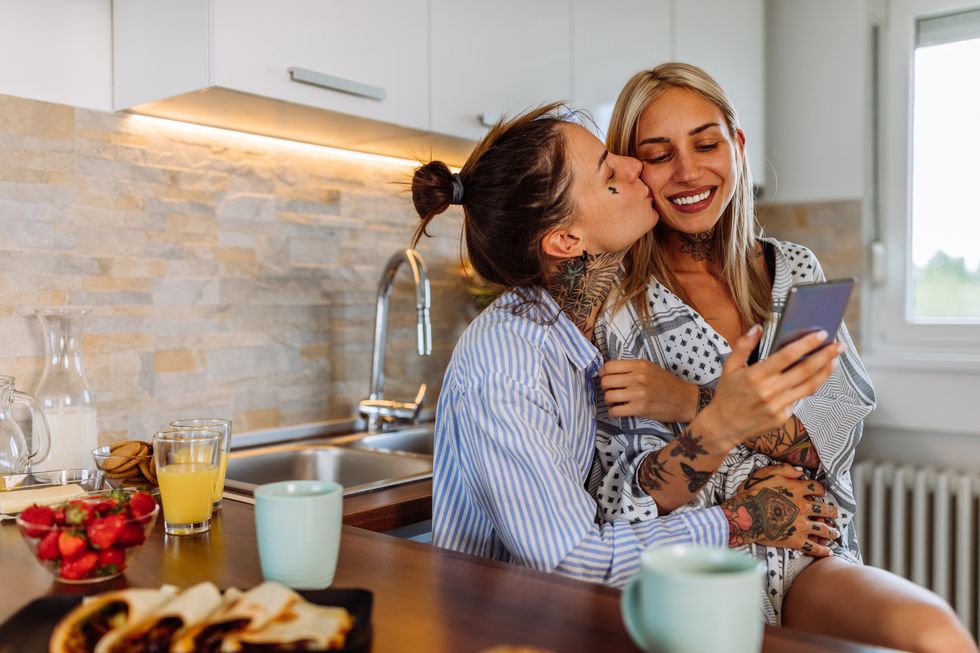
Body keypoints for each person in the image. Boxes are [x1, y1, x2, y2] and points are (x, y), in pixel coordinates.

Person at [595, 62, 975, 652]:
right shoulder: (616, 301)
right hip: (691, 568)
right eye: (660, 152)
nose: (690, 170)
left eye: (706, 143)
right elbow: (635, 496)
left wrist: (688, 399)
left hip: (808, 560)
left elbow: (833, 435)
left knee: (934, 634)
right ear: (632, 168)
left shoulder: (794, 270)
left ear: (737, 147)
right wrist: (745, 502)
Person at [411, 103, 841, 588]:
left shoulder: (587, 331)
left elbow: (833, 430)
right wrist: (737, 521)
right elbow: (571, 562)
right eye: (610, 173)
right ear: (568, 240)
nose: (633, 165)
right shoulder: (506, 367)